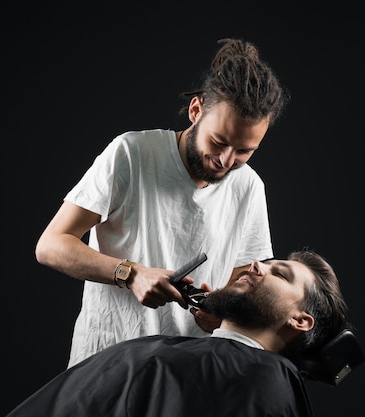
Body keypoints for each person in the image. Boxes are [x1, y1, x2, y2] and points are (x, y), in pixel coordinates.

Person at [34, 38, 289, 367]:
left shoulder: (249, 187)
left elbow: (238, 286)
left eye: (244, 151)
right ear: (196, 111)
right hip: (105, 365)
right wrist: (130, 273)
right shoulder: (132, 154)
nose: (226, 160)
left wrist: (221, 315)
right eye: (219, 141)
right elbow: (51, 245)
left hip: (184, 376)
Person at [6, 250, 350, 417]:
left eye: (281, 274)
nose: (257, 265)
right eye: (267, 261)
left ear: (301, 320)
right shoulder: (167, 353)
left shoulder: (267, 381)